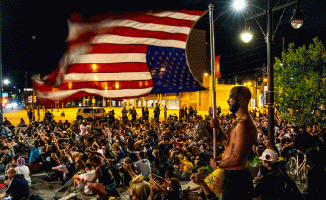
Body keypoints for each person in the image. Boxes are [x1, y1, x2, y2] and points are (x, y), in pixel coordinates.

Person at [210, 86, 257, 200]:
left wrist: (217, 165)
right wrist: (217, 128)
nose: (228, 101)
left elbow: (236, 158)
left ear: (239, 99)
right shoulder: (240, 122)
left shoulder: (243, 125)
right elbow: (230, 145)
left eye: (231, 97)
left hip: (236, 180)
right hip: (235, 178)